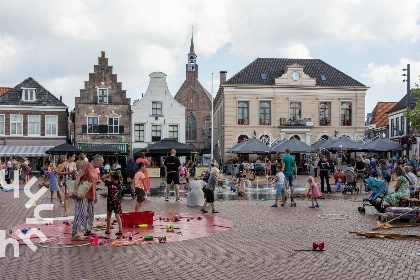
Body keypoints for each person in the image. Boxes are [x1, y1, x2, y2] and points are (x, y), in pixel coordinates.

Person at [71, 154, 103, 239]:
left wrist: (95, 195)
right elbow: (78, 177)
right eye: (101, 162)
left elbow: (94, 183)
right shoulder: (86, 166)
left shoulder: (95, 170)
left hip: (91, 193)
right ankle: (76, 231)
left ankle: (88, 229)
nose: (101, 164)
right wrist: (75, 189)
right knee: (81, 212)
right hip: (83, 192)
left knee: (90, 213)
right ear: (96, 160)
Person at [101, 170, 123, 235]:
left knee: (109, 215)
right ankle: (120, 229)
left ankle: (108, 229)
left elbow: (102, 178)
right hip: (117, 201)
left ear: (112, 178)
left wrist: (108, 174)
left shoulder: (110, 183)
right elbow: (122, 179)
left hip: (110, 201)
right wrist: (120, 174)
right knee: (117, 215)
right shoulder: (120, 184)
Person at [58, 152, 77, 217]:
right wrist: (68, 172)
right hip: (66, 181)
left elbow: (76, 172)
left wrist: (75, 172)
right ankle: (65, 212)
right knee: (66, 197)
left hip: (73, 181)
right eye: (73, 157)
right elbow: (59, 172)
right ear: (69, 157)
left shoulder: (74, 164)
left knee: (74, 196)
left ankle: (76, 211)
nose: (74, 158)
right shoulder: (64, 164)